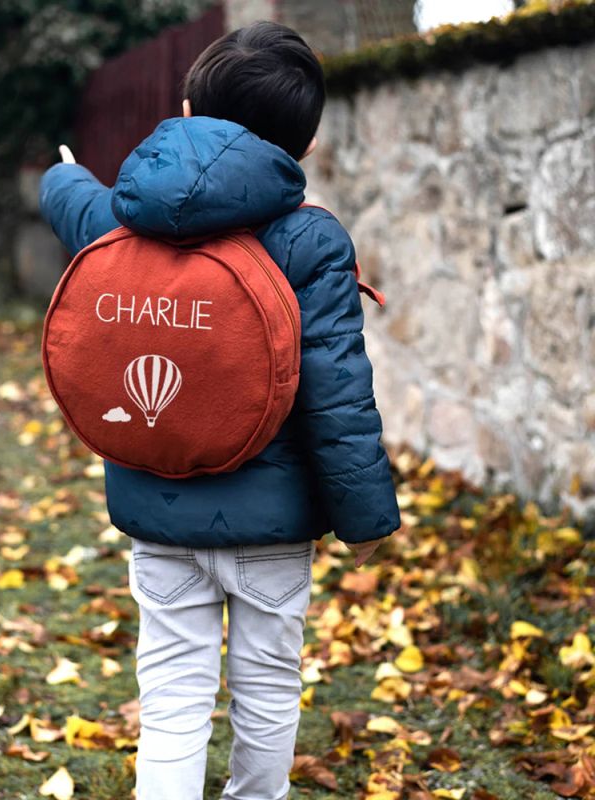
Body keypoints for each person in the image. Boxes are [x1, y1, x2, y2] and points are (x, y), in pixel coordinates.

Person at [39, 20, 401, 800]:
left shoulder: (123, 220)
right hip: (273, 524)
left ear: (184, 105)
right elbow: (339, 392)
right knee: (267, 689)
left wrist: (59, 176)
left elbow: (74, 202)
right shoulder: (309, 241)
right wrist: (366, 519)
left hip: (157, 509)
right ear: (301, 149)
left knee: (172, 692)